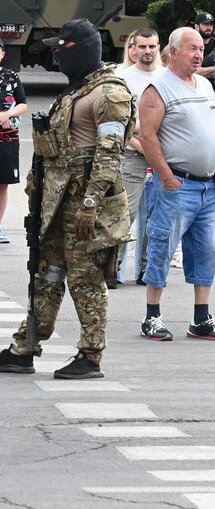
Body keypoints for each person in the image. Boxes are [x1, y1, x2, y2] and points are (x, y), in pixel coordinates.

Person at [0, 20, 131, 380]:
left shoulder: (109, 93)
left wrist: (90, 205)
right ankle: (25, 347)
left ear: (85, 49)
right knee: (46, 273)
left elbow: (109, 155)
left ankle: (90, 356)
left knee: (85, 280)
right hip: (57, 205)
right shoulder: (77, 89)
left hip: (86, 209)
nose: (57, 56)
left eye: (63, 49)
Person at [138, 27, 215, 342]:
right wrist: (166, 176)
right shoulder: (158, 88)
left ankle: (201, 318)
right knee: (162, 247)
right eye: (192, 48)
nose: (198, 54)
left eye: (201, 49)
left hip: (208, 188)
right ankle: (152, 316)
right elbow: (148, 136)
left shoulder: (205, 84)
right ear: (174, 51)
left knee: (207, 251)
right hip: (176, 184)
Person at [119, 29, 163, 284]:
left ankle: (148, 270)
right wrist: (142, 145)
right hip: (131, 155)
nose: (147, 51)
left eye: (152, 46)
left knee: (156, 218)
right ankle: (114, 268)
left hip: (161, 157)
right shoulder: (122, 78)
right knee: (125, 214)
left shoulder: (167, 77)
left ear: (159, 48)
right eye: (143, 46)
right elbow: (118, 122)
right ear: (133, 48)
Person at [0, 41, 28, 245]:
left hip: (7, 138)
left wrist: (8, 113)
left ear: (2, 54)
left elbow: (23, 104)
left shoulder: (11, 77)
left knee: (2, 184)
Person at [194, 12, 215, 79]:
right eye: (205, 24)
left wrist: (201, 71)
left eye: (211, 24)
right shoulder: (189, 46)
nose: (209, 27)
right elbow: (191, 71)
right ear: (197, 26)